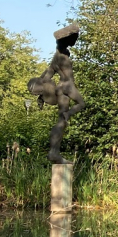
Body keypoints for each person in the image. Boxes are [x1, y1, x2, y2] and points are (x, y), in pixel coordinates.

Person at [27, 23, 85, 164]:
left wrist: (42, 93)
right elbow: (47, 78)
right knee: (82, 104)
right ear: (67, 39)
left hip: (60, 88)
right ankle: (68, 115)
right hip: (68, 86)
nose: (75, 40)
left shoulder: (57, 56)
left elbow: (46, 76)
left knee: (61, 123)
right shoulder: (62, 56)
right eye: (74, 38)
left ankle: (54, 152)